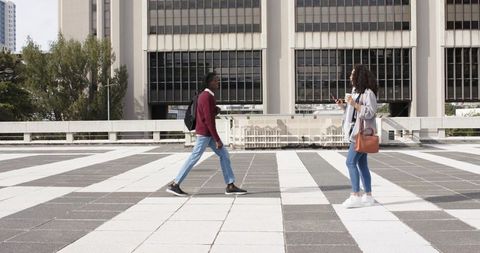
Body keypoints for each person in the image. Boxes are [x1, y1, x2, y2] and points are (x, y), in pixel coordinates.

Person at [166, 72, 247, 197]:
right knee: (194, 158)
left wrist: (215, 110)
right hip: (205, 134)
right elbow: (208, 121)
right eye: (215, 81)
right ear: (209, 82)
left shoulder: (205, 95)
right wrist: (217, 139)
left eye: (218, 80)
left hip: (206, 134)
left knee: (224, 155)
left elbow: (205, 114)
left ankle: (230, 185)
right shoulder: (206, 96)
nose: (217, 83)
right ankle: (175, 184)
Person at [335, 65, 378, 208]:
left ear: (358, 76)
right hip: (354, 131)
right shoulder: (354, 92)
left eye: (352, 74)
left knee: (350, 162)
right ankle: (369, 196)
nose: (350, 77)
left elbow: (370, 112)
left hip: (361, 134)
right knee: (362, 165)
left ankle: (355, 195)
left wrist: (354, 104)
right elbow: (352, 112)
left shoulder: (368, 93)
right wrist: (344, 106)